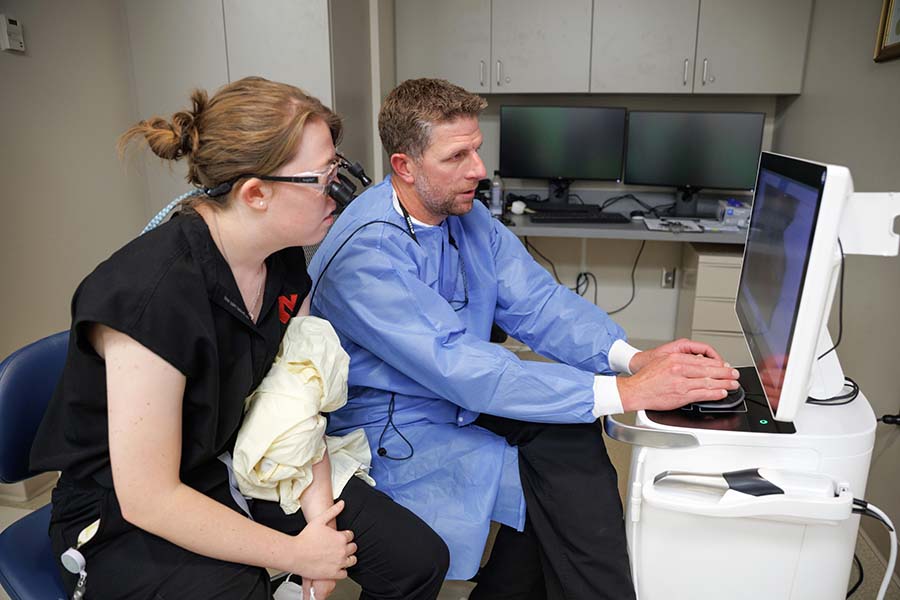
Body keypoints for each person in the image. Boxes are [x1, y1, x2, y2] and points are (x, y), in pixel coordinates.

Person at [306, 78, 741, 599]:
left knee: (571, 445)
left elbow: (537, 302)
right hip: (395, 423)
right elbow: (456, 365)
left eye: (477, 149)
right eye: (457, 156)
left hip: (457, 394)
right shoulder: (366, 254)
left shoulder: (463, 215)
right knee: (555, 498)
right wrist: (627, 394)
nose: (479, 170)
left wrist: (631, 358)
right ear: (405, 166)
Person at [30, 76, 449, 600]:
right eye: (326, 178)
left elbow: (297, 392)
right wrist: (297, 555)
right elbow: (149, 498)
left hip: (228, 460)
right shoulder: (150, 295)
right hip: (118, 514)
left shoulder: (282, 260)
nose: (341, 192)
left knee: (416, 560)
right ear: (256, 193)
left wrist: (320, 520)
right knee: (245, 588)